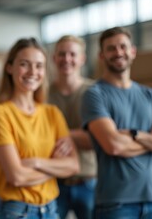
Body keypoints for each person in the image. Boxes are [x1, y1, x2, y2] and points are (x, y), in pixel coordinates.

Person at [81, 26, 152, 219]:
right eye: (111, 48)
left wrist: (136, 134)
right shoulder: (94, 94)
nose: (118, 52)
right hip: (115, 203)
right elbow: (114, 145)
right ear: (101, 56)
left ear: (133, 51)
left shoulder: (150, 95)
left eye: (123, 47)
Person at [0, 37, 80, 219]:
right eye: (24, 64)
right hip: (17, 212)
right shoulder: (0, 114)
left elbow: (74, 165)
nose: (32, 72)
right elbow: (17, 176)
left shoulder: (52, 113)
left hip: (52, 210)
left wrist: (37, 163)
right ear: (9, 67)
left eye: (39, 66)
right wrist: (55, 168)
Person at [48, 35, 96, 219]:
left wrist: (61, 135)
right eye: (61, 54)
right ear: (54, 58)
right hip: (53, 181)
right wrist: (81, 134)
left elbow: (99, 139)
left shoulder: (95, 92)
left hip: (88, 180)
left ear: (82, 58)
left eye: (72, 54)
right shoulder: (43, 93)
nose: (66, 59)